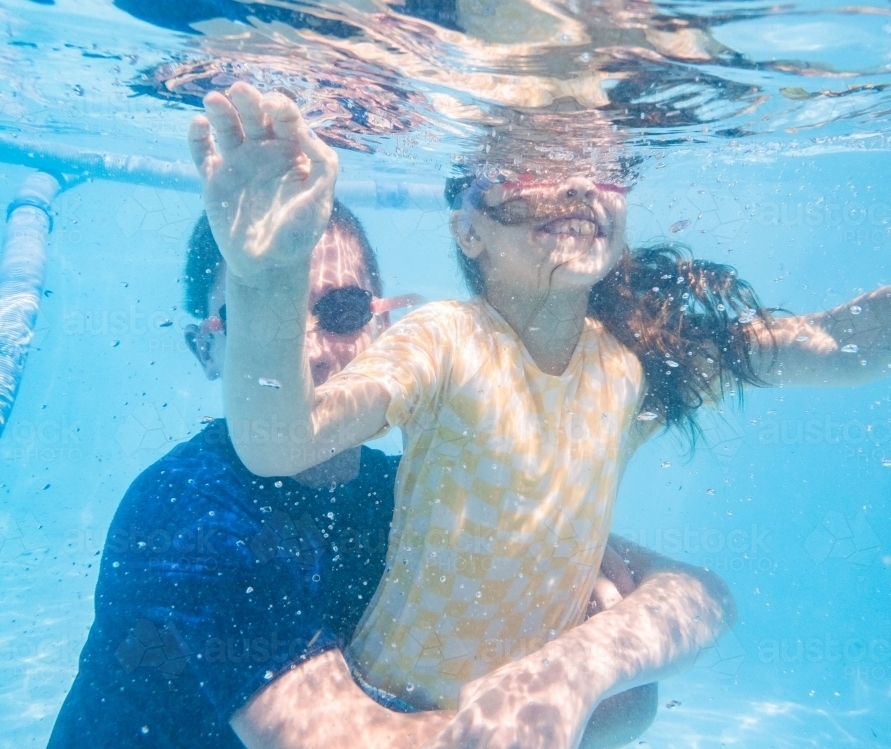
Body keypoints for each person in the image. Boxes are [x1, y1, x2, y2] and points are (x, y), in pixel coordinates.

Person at [192, 81, 891, 748]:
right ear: (468, 228)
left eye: (600, 167)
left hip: (534, 724)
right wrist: (266, 277)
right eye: (530, 166)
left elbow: (829, 341)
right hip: (392, 720)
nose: (575, 182)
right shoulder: (447, 340)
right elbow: (278, 439)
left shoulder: (632, 365)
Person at [47, 202, 734, 749]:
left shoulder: (411, 492)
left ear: (384, 329)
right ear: (207, 346)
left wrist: (579, 668)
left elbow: (695, 593)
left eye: (342, 313)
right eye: (266, 312)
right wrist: (580, 708)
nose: (312, 350)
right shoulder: (187, 510)